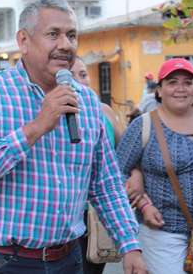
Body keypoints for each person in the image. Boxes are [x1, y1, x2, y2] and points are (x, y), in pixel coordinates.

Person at [0, 0, 147, 274]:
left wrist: (130, 245)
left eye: (71, 35)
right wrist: (36, 127)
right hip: (6, 261)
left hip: (69, 258)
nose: (65, 45)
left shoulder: (87, 101)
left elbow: (106, 184)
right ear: (23, 41)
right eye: (53, 34)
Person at [118, 58, 193, 274]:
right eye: (172, 82)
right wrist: (143, 204)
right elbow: (115, 172)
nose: (180, 89)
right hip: (161, 232)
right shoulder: (144, 125)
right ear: (159, 90)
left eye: (187, 83)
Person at [70, 57, 122, 274]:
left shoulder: (104, 111)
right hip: (67, 215)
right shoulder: (50, 114)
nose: (79, 81)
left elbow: (126, 153)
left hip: (96, 214)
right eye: (71, 75)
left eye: (83, 74)